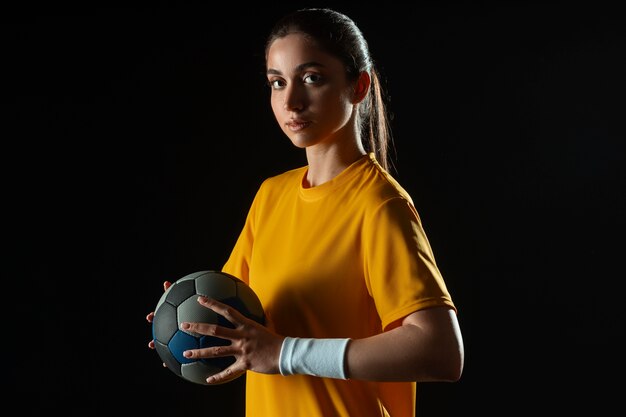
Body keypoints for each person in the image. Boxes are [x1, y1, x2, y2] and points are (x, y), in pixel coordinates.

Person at [147, 7, 464, 417]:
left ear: (359, 87)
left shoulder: (379, 204)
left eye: (311, 78)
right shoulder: (271, 196)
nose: (291, 101)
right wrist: (184, 323)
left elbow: (440, 352)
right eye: (277, 83)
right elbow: (245, 331)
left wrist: (285, 353)